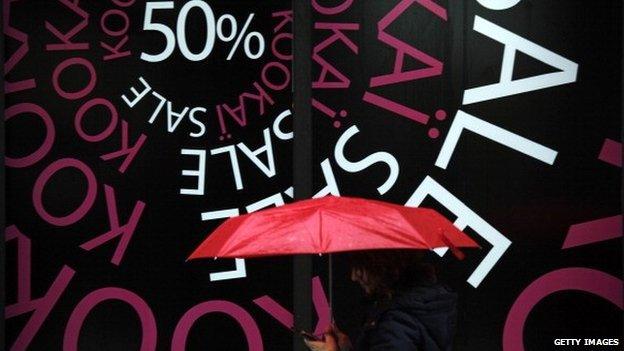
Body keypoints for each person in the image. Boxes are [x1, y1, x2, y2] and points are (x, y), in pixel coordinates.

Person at [304, 250, 457, 351]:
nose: (353, 277)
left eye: (359, 267)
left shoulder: (396, 322)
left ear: (382, 266)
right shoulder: (425, 303)